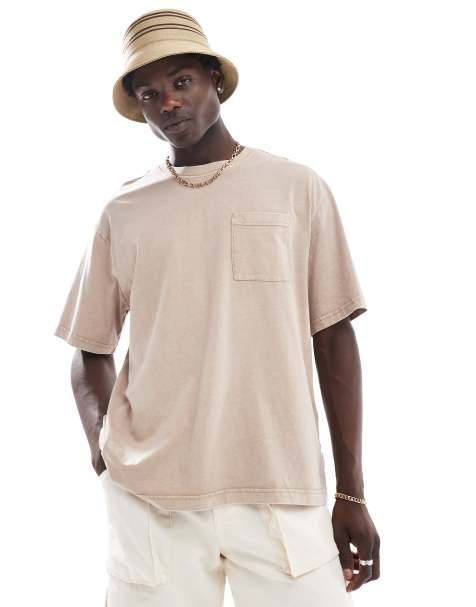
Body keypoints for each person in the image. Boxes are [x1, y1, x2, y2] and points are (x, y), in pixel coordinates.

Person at [54, 8, 380, 606]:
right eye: (149, 94)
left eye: (182, 82)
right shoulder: (123, 212)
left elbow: (334, 338)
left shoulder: (297, 188)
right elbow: (89, 346)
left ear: (215, 80)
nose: (168, 103)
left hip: (280, 488)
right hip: (152, 498)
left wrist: (351, 492)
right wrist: (103, 449)